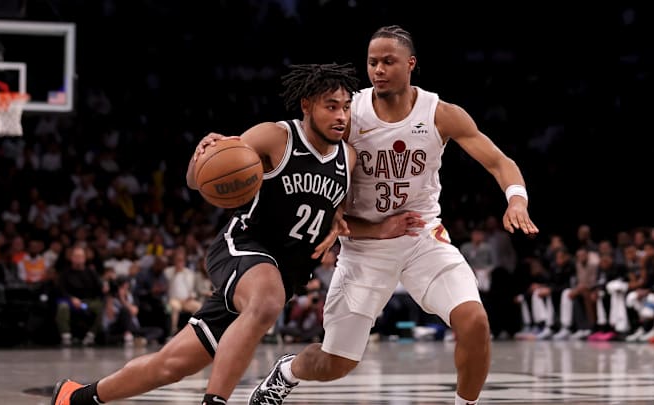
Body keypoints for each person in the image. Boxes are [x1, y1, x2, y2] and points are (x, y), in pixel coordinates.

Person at [249, 25, 539, 405]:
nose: (378, 70)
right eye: (372, 62)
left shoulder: (440, 114)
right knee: (335, 363)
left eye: (388, 61)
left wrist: (516, 200)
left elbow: (501, 162)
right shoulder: (349, 113)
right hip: (364, 246)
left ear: (410, 64)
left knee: (475, 322)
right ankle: (286, 371)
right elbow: (315, 162)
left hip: (423, 238)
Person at [49, 62, 365, 405]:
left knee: (171, 365)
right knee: (267, 301)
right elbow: (201, 178)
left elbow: (339, 208)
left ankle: (75, 398)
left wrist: (340, 219)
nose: (341, 116)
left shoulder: (347, 157)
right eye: (330, 106)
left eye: (346, 107)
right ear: (307, 106)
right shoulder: (276, 137)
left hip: (284, 273)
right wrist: (203, 155)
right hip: (244, 246)